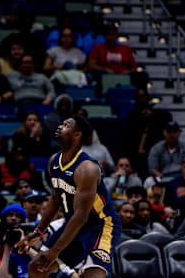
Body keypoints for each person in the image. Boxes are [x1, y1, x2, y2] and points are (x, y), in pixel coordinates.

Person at [15, 115, 121, 278]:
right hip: (74, 225)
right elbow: (55, 199)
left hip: (99, 225)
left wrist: (55, 251)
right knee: (36, 268)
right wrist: (39, 231)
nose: (59, 127)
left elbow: (81, 216)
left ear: (77, 135)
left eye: (66, 125)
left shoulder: (87, 168)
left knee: (93, 274)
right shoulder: (54, 161)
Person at [146, 122, 185, 186]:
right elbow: (152, 169)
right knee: (149, 181)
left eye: (174, 132)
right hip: (161, 178)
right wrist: (164, 179)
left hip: (181, 178)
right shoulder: (156, 148)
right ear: (164, 133)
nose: (171, 135)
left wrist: (181, 178)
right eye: (169, 132)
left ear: (179, 133)